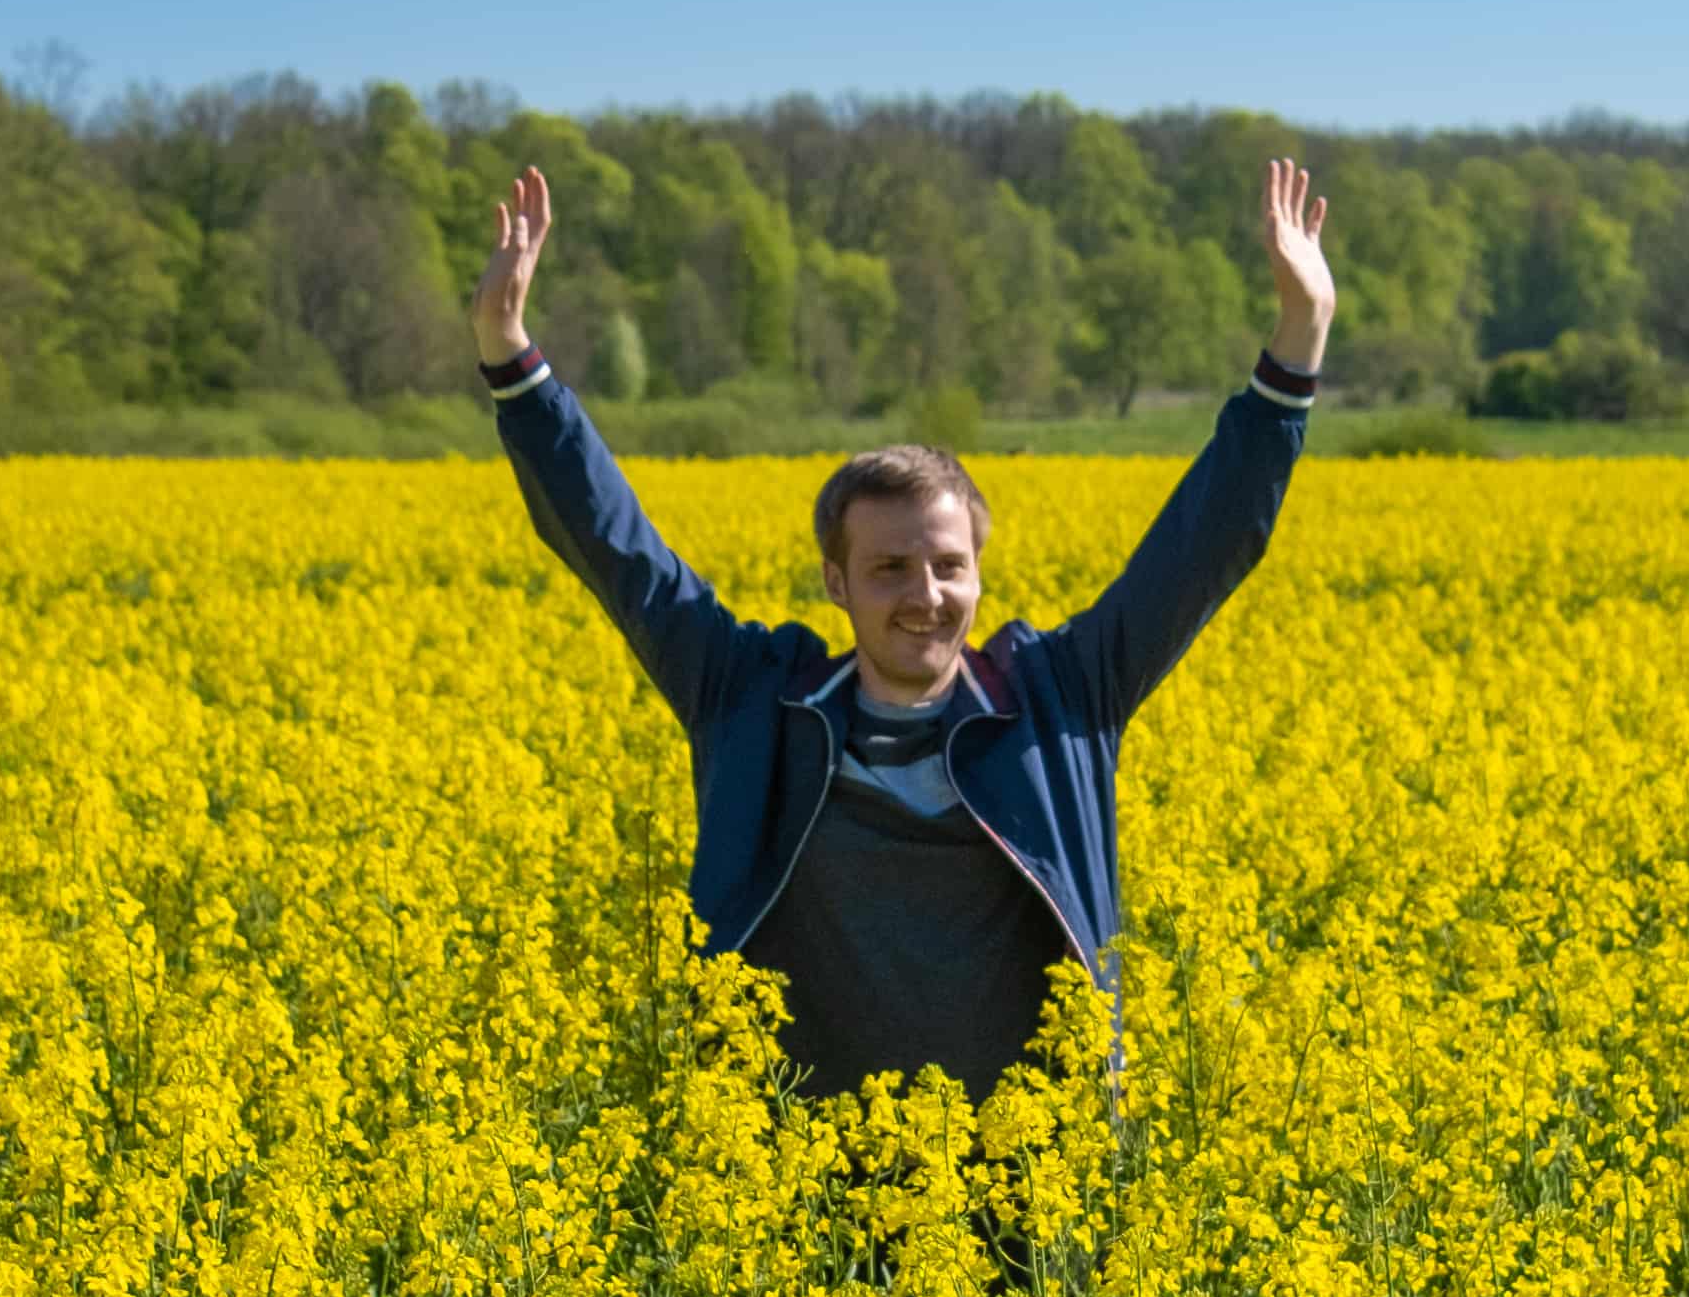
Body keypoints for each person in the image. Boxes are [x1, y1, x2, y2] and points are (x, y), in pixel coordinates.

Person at [469, 155, 1335, 1101]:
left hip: (1031, 1187)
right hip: (797, 1181)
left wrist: (1299, 338)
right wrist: (511, 356)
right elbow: (617, 551)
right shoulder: (754, 701)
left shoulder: (1059, 701)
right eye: (889, 569)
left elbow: (1201, 548)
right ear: (834, 581)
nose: (925, 594)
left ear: (978, 573)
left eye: (948, 565)